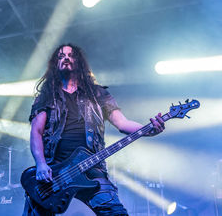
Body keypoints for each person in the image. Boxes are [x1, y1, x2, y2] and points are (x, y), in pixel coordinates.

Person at [23, 44, 164, 216]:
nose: (66, 58)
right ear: (55, 64)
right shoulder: (46, 96)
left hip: (92, 168)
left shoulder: (97, 93)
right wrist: (41, 164)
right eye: (61, 56)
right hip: (55, 172)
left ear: (79, 61)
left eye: (70, 55)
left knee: (115, 213)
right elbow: (36, 132)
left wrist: (149, 129)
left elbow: (122, 123)